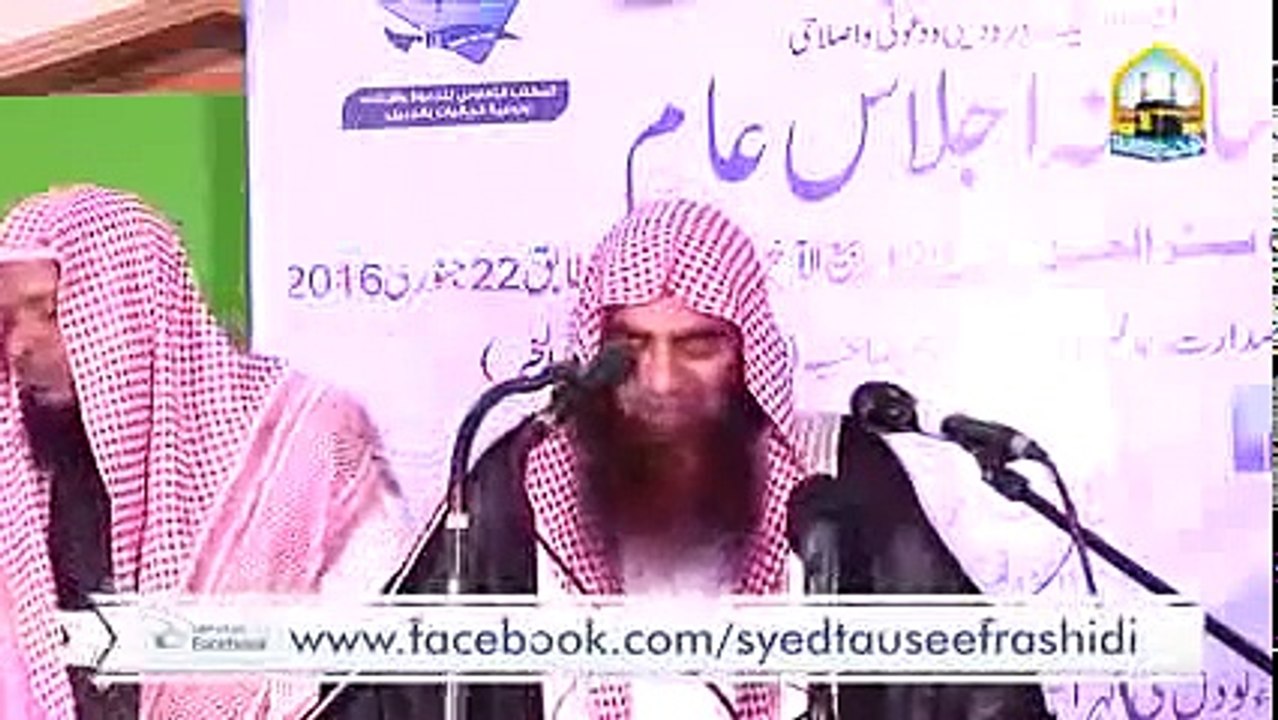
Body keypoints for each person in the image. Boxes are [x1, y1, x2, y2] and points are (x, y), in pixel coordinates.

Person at [321, 197, 1064, 720]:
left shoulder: (833, 476)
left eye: (698, 346)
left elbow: (985, 696)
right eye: (632, 346)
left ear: (746, 355)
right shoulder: (515, 484)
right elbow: (382, 695)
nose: (662, 381)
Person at [0, 185, 411, 719]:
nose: (19, 346)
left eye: (50, 313)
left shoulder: (305, 440)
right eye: (6, 321)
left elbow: (381, 658)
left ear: (132, 310)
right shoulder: (20, 474)